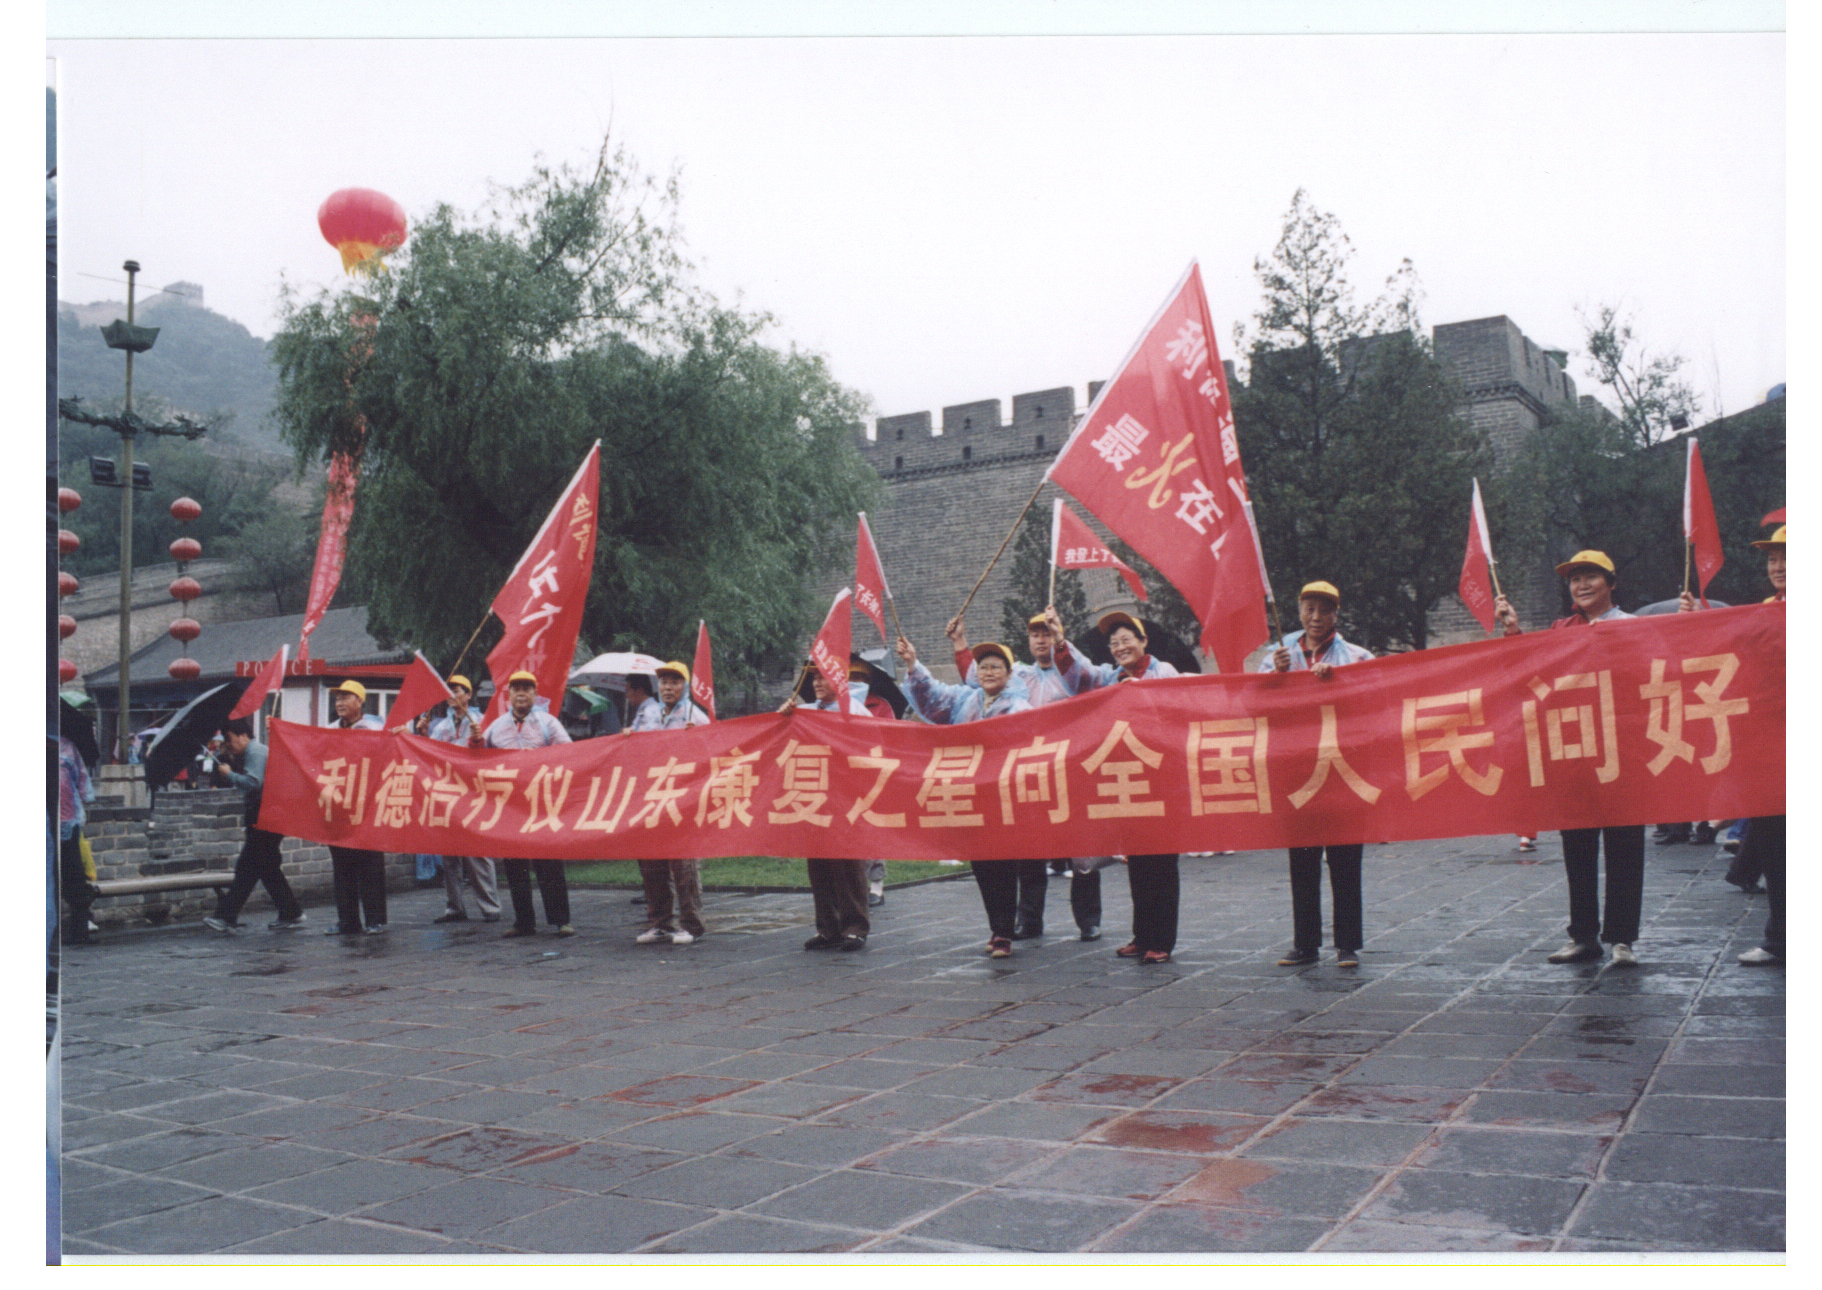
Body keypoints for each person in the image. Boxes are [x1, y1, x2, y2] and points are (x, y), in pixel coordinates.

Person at [1495, 550, 1644, 966]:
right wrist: (1513, 630)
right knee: (1577, 848)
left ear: (1611, 583)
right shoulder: (1562, 630)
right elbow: (1529, 669)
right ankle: (1583, 935)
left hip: (1622, 752)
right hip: (1574, 752)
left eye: (1590, 577)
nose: (1581, 585)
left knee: (1625, 847)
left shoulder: (1633, 627)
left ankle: (1622, 939)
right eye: (1575, 579)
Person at [946, 605, 1100, 939]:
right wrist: (960, 643)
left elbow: (1091, 682)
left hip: (1069, 766)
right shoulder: (1020, 677)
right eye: (1035, 634)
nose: (1041, 640)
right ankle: (1029, 919)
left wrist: (1062, 642)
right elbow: (979, 676)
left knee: (1081, 851)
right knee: (1029, 848)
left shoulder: (1072, 673)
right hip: (1027, 772)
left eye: (1047, 633)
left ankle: (1088, 919)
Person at [1259, 582, 1376, 969]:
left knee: (1345, 859)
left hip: (1342, 768)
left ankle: (1347, 944)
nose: (1315, 617)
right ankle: (1305, 943)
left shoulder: (1356, 656)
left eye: (1324, 610)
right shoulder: (1277, 655)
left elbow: (1376, 700)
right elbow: (1254, 703)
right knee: (1303, 861)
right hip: (1297, 770)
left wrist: (1339, 682)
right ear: (1299, 611)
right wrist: (1276, 678)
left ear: (1336, 615)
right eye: (1309, 608)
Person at [1682, 524, 1785, 965]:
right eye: (1773, 559)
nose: (1778, 567)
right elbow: (1728, 652)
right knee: (1778, 848)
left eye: (1787, 558)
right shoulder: (1765, 613)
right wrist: (1694, 624)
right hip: (1774, 753)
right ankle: (1781, 939)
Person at [898, 630, 1033, 958]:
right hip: (972, 796)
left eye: (996, 667)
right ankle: (996, 927)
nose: (988, 672)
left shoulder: (1020, 707)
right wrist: (913, 663)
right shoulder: (966, 700)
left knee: (1003, 866)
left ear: (1009, 674)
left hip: (1002, 798)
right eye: (983, 666)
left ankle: (1004, 932)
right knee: (982, 866)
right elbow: (932, 696)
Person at [1074, 611, 1182, 965]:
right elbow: (1080, 674)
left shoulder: (1163, 672)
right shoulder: (1112, 678)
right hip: (1128, 777)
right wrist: (1060, 641)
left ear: (1143, 641)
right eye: (1114, 643)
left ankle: (1162, 940)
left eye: (1126, 640)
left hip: (1161, 776)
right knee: (1136, 861)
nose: (1120, 647)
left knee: (1161, 862)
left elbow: (1178, 710)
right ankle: (1142, 934)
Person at [779, 668, 876, 951]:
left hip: (845, 794)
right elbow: (778, 738)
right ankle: (828, 928)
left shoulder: (854, 711)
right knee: (818, 863)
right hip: (813, 794)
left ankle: (855, 927)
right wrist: (783, 716)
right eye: (814, 678)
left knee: (847, 862)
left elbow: (872, 746)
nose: (817, 683)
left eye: (823, 677)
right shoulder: (805, 711)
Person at [479, 670, 575, 938]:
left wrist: (540, 759)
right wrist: (475, 742)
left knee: (549, 862)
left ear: (535, 694)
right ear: (508, 694)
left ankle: (561, 920)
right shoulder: (495, 727)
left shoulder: (548, 723)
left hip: (541, 803)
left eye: (527, 688)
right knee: (514, 864)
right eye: (516, 688)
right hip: (510, 806)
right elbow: (476, 759)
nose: (521, 693)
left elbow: (570, 753)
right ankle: (524, 921)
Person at [628, 661, 710, 945]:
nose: (668, 688)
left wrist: (698, 738)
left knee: (684, 864)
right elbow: (634, 745)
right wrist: (627, 737)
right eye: (663, 682)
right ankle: (660, 923)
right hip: (651, 796)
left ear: (684, 686)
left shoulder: (694, 715)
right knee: (651, 862)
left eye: (674, 682)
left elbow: (715, 747)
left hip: (683, 798)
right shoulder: (648, 713)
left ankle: (692, 925)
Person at [202, 717, 307, 933]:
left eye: (230, 739)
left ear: (243, 735)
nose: (228, 744)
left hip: (266, 815)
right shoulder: (251, 753)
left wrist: (229, 774)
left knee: (247, 866)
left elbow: (253, 783)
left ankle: (226, 916)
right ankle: (291, 912)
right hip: (267, 814)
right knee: (267, 868)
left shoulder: (256, 752)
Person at [426, 675, 502, 925]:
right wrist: (422, 736)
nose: (452, 695)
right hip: (448, 794)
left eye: (457, 690)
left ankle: (490, 906)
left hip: (474, 794)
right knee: (449, 855)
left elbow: (493, 754)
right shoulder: (441, 726)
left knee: (477, 852)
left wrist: (479, 739)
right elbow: (430, 754)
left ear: (468, 695)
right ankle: (455, 906)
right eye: (449, 691)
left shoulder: (482, 722)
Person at [323, 680, 389, 935]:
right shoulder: (329, 730)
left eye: (346, 697)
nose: (339, 702)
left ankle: (376, 920)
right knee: (342, 866)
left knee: (370, 863)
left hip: (367, 803)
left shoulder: (375, 728)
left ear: (360, 701)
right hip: (340, 805)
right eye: (337, 698)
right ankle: (348, 921)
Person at [57, 733, 99, 945]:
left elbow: (81, 778)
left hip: (67, 823)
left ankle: (79, 931)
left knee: (74, 878)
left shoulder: (66, 747)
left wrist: (84, 798)